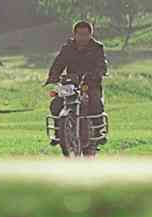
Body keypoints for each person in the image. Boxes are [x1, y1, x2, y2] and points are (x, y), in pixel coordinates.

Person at [44, 19, 108, 148]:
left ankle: (98, 131)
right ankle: (59, 133)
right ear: (74, 35)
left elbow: (102, 65)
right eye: (79, 34)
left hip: (90, 83)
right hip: (70, 84)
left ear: (91, 34)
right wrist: (53, 77)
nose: (82, 37)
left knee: (95, 102)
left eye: (86, 34)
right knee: (56, 103)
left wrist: (97, 74)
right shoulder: (67, 48)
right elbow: (58, 63)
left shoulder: (97, 48)